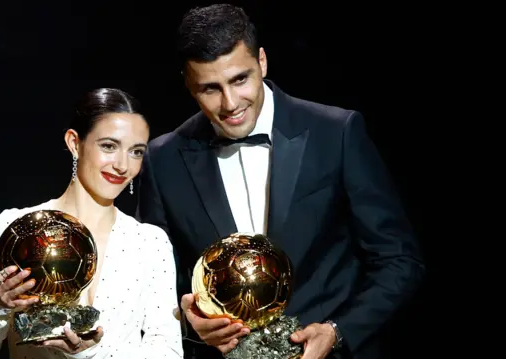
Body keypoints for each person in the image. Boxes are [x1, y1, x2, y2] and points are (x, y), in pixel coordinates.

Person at [136, 4, 425, 359]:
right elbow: (154, 287)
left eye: (240, 79)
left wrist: (337, 331)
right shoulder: (163, 159)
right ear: (188, 84)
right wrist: (187, 320)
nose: (230, 103)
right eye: (210, 88)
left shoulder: (336, 133)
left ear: (262, 62)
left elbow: (399, 260)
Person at [0, 88, 184, 359]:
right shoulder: (14, 227)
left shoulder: (149, 243)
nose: (123, 165)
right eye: (109, 146)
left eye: (136, 152)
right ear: (74, 142)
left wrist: (88, 354)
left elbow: (168, 351)